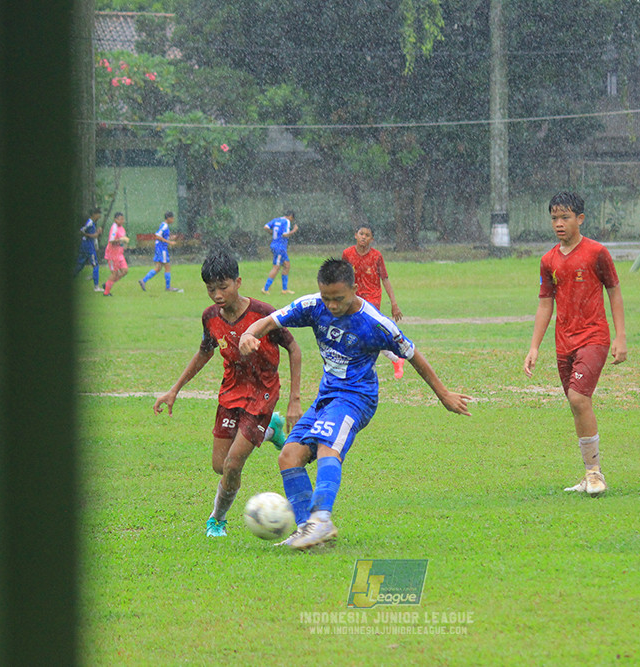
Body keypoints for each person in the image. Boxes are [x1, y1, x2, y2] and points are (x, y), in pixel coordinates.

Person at [239, 258, 472, 550]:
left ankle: (322, 518)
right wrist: (248, 334)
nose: (332, 305)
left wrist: (444, 395)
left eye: (339, 299)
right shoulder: (313, 306)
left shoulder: (375, 323)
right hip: (327, 396)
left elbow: (413, 356)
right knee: (288, 456)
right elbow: (271, 320)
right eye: (327, 298)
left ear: (355, 289)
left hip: (356, 397)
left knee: (327, 445)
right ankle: (308, 530)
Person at [153, 248, 303, 538]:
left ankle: (216, 520)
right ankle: (269, 431)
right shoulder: (210, 317)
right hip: (231, 391)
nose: (217, 294)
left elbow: (294, 349)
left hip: (263, 392)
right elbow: (204, 352)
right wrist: (174, 390)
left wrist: (294, 399)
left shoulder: (263, 314)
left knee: (234, 465)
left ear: (238, 282)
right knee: (220, 467)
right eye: (211, 289)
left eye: (223, 287)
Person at [523, 191, 627, 498]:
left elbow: (614, 291)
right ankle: (589, 473)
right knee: (577, 403)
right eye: (554, 217)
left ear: (580, 219)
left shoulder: (597, 253)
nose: (559, 223)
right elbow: (545, 305)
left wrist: (620, 336)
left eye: (565, 217)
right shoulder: (548, 261)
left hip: (594, 336)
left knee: (578, 398)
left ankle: (595, 474)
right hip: (563, 341)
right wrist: (534, 347)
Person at [342, 224, 406, 379]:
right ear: (355, 235)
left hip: (372, 299)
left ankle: (364, 367)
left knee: (365, 331)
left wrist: (394, 304)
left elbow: (385, 279)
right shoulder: (347, 254)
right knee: (362, 333)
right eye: (361, 233)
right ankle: (395, 359)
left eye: (367, 235)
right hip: (354, 298)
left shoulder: (376, 256)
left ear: (372, 239)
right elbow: (342, 276)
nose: (364, 237)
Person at [139, 212, 182, 293]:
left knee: (158, 268)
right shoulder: (165, 226)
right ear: (168, 218)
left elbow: (162, 236)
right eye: (172, 218)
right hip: (162, 249)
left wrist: (171, 237)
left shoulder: (164, 225)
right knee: (167, 267)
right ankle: (168, 287)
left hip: (159, 248)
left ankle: (143, 280)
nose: (173, 220)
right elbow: (157, 236)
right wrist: (169, 242)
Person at [262, 210, 298, 295]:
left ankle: (284, 289)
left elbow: (266, 227)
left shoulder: (276, 220)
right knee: (276, 267)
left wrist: (274, 234)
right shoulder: (287, 221)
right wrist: (294, 230)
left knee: (287, 265)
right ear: (291, 216)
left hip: (276, 245)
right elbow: (285, 234)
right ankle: (265, 288)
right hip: (280, 247)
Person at [74, 207, 102, 291]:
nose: (99, 217)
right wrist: (95, 234)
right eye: (98, 215)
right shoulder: (89, 223)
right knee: (95, 265)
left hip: (86, 246)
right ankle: (96, 287)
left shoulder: (92, 223)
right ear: (94, 214)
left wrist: (96, 233)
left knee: (80, 265)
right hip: (88, 247)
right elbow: (82, 231)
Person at [102, 212, 129, 296]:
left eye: (123, 219)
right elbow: (111, 240)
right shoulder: (114, 227)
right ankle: (106, 292)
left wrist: (124, 244)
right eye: (120, 219)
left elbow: (123, 240)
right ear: (115, 219)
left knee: (125, 271)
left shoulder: (122, 228)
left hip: (119, 254)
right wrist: (121, 239)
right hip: (112, 254)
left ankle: (107, 284)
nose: (122, 221)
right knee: (114, 273)